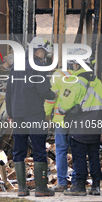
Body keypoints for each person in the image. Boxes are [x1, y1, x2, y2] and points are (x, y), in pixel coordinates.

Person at [6, 36, 56, 197]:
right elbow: (43, 90)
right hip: (34, 114)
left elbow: (8, 92)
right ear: (39, 51)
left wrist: (11, 114)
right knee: (39, 149)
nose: (45, 55)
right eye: (44, 52)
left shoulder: (16, 66)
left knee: (19, 150)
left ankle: (22, 188)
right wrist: (53, 95)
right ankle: (41, 188)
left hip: (18, 115)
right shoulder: (38, 66)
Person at [58, 49, 102, 196]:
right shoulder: (97, 82)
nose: (72, 66)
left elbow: (64, 105)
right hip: (94, 126)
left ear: (78, 65)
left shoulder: (75, 82)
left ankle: (79, 186)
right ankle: (96, 186)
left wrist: (61, 108)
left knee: (79, 156)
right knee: (94, 156)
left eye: (73, 63)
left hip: (79, 127)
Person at [44, 64, 76, 192]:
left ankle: (62, 183)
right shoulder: (80, 76)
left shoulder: (58, 75)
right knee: (77, 151)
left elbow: (51, 98)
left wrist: (46, 114)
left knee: (61, 151)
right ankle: (76, 182)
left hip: (61, 120)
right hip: (76, 121)